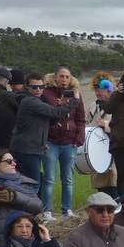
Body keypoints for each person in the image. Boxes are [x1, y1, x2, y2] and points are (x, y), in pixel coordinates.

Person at [10, 72, 74, 193]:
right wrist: (72, 103)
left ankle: (27, 209)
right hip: (27, 149)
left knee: (29, 182)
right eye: (34, 87)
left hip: (30, 148)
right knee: (33, 184)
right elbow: (54, 113)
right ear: (27, 87)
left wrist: (61, 107)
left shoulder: (35, 100)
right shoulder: (30, 101)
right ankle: (28, 210)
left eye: (41, 86)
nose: (39, 89)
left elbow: (49, 119)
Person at [39, 66, 86, 222]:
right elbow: (47, 116)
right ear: (55, 77)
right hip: (51, 142)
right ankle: (47, 212)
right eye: (62, 76)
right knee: (49, 178)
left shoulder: (76, 94)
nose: (64, 79)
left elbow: (80, 119)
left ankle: (67, 210)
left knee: (68, 178)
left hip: (69, 142)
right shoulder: (46, 94)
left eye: (67, 76)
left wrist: (79, 138)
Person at [86, 75, 118, 199]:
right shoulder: (92, 106)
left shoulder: (118, 105)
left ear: (108, 89)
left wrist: (105, 125)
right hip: (98, 149)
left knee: (115, 178)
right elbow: (86, 123)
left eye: (100, 90)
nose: (97, 93)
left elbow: (123, 126)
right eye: (96, 90)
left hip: (114, 146)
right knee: (101, 180)